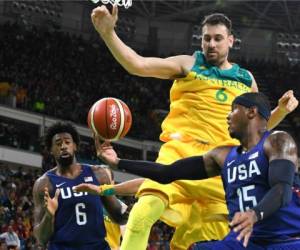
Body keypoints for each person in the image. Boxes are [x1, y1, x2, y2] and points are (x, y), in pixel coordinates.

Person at [91, 6, 299, 250]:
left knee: (196, 243)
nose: (211, 44)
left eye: (218, 38)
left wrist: (281, 111)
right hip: (179, 156)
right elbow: (138, 64)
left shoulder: (245, 79)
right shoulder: (188, 64)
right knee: (140, 216)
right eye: (206, 39)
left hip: (219, 168)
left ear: (230, 41)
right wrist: (108, 33)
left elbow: (257, 128)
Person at [93, 92, 300, 249]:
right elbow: (167, 173)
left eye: (233, 110)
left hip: (287, 239)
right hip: (245, 241)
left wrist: (254, 214)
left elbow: (281, 189)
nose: (227, 117)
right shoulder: (222, 156)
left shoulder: (277, 141)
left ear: (251, 111)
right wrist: (118, 162)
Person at [32, 122, 127, 250]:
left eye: (67, 142)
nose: (63, 146)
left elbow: (118, 217)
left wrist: (137, 207)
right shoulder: (44, 184)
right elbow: (40, 239)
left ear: (75, 146)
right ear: (51, 150)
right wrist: (49, 215)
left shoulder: (99, 175)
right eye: (58, 144)